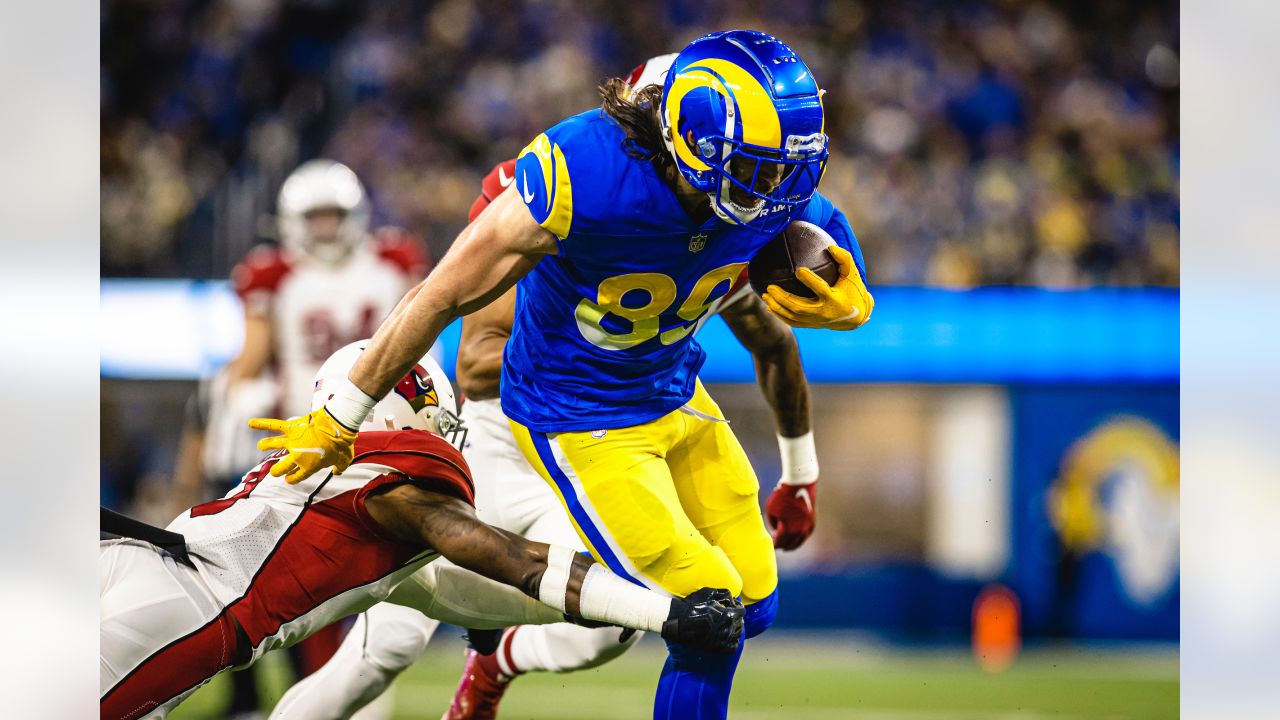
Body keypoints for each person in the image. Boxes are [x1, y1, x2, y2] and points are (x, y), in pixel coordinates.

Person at [251, 30, 873, 720]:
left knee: (705, 613)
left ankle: (498, 659)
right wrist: (344, 411)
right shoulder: (572, 193)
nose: (774, 191)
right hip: (521, 431)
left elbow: (778, 341)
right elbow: (461, 324)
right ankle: (472, 649)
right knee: (396, 648)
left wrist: (800, 468)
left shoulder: (743, 205)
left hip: (663, 402)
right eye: (758, 171)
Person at [101, 342, 744, 720]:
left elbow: (454, 589)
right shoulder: (394, 486)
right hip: (184, 611)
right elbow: (515, 559)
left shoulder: (335, 473)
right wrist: (671, 615)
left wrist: (637, 605)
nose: (443, 423)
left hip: (144, 560)